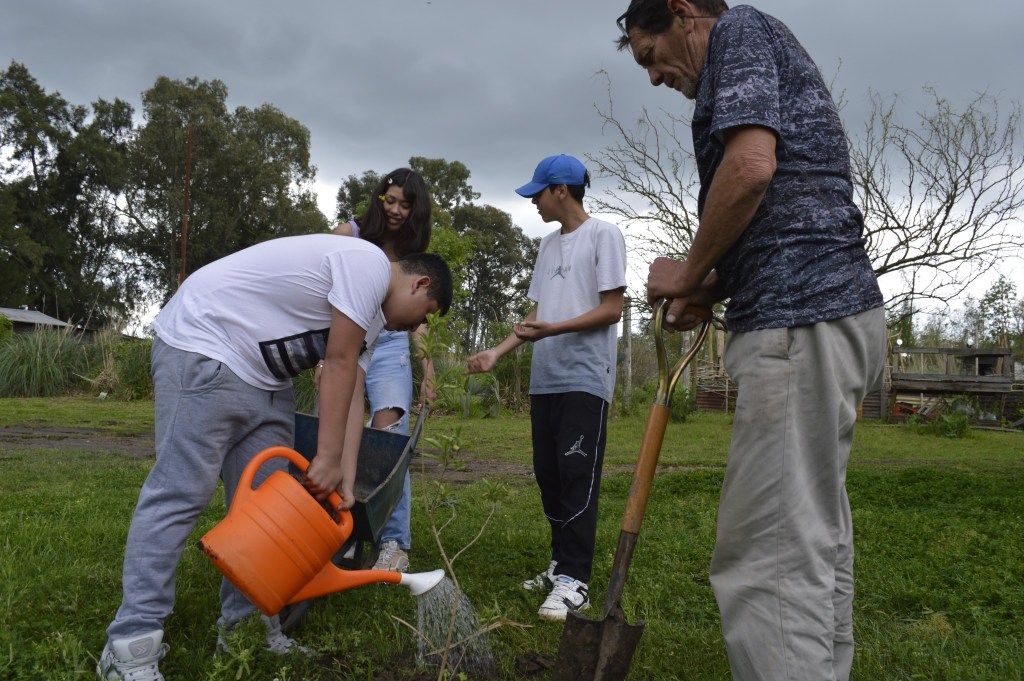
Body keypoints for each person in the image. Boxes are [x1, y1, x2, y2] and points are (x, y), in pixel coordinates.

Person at [617, 2, 886, 679]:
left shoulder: (738, 31)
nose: (654, 77)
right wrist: (713, 286)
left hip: (800, 319)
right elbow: (781, 204)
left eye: (649, 56)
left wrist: (688, 272)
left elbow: (751, 169)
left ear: (683, 12)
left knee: (770, 555)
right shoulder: (756, 46)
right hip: (826, 311)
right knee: (812, 536)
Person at [96, 234, 452, 681]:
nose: (414, 327)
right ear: (420, 284)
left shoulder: (373, 321)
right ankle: (131, 646)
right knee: (180, 493)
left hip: (264, 377)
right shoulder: (369, 265)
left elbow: (352, 390)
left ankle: (246, 628)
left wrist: (345, 476)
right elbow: (338, 362)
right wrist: (325, 457)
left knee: (265, 509)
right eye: (425, 316)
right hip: (205, 342)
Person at [467, 154, 627, 621]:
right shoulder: (547, 245)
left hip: (585, 377)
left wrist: (554, 330)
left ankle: (576, 581)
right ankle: (560, 564)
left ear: (561, 190)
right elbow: (538, 315)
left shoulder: (604, 235)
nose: (534, 201)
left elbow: (612, 309)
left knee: (577, 475)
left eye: (538, 192)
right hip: (546, 379)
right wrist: (497, 352)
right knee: (549, 475)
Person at [330, 168, 436, 573]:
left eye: (404, 205)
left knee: (389, 438)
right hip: (344, 341)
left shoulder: (412, 253)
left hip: (390, 344)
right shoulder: (350, 234)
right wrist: (322, 360)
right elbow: (324, 298)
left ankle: (393, 542)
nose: (394, 210)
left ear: (416, 211)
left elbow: (418, 318)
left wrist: (427, 370)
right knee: (337, 433)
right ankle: (344, 533)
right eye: (389, 201)